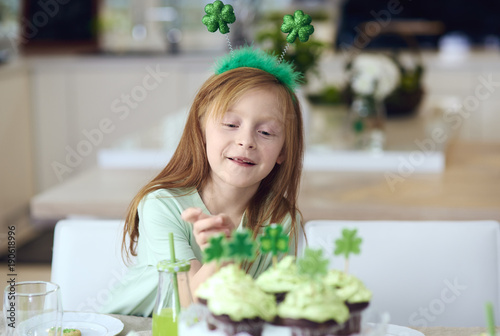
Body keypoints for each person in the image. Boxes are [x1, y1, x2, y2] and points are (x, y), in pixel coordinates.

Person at [100, 52, 305, 316]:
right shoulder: (162, 205)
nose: (246, 141)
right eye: (231, 124)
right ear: (201, 130)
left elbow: (271, 310)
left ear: (283, 151)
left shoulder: (282, 220)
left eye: (265, 132)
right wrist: (223, 257)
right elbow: (190, 307)